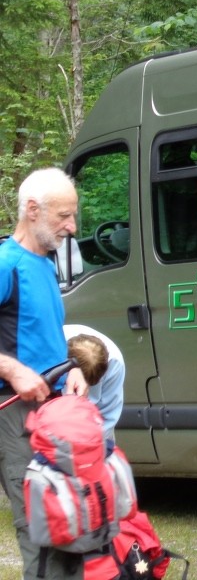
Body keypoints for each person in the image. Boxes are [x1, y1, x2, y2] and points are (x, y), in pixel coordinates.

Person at [0, 167, 89, 580]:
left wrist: (71, 369)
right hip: (14, 414)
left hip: (54, 413)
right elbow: (18, 356)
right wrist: (13, 369)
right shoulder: (6, 263)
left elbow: (40, 336)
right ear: (32, 211)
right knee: (39, 527)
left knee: (68, 520)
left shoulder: (46, 263)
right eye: (63, 216)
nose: (72, 226)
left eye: (73, 216)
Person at [64, 324, 125, 442]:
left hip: (92, 427)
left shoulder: (115, 363)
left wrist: (92, 449)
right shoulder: (49, 350)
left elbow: (108, 416)